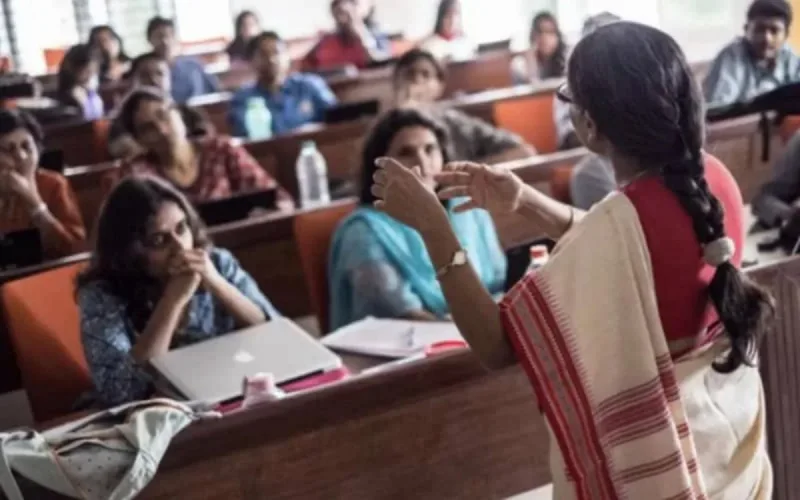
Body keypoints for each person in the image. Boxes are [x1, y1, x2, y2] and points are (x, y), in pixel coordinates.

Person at [371, 22, 773, 498]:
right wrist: (525, 202)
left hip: (664, 469)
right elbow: (632, 243)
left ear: (589, 124)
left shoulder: (617, 229)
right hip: (723, 446)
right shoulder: (711, 179)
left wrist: (435, 229)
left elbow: (497, 345)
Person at [77, 176, 280, 407]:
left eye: (182, 228)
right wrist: (172, 300)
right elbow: (124, 392)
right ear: (128, 252)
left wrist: (215, 282)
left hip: (225, 393)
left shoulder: (217, 262)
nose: (180, 247)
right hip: (155, 415)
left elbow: (274, 332)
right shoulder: (101, 295)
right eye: (159, 240)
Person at [328, 108, 505, 329]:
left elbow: (497, 283)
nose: (422, 162)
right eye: (406, 152)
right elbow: (399, 312)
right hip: (412, 349)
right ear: (381, 167)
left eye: (430, 149)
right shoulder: (363, 231)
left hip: (481, 332)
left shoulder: (467, 207)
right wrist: (471, 331)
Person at [111, 87, 292, 206]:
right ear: (139, 140)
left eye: (163, 115)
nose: (162, 130)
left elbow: (279, 199)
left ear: (179, 113)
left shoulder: (221, 149)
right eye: (148, 128)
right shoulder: (135, 174)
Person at [394, 49, 533, 163]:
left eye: (425, 75)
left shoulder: (456, 123)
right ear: (396, 83)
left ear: (439, 86)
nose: (417, 81)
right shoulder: (385, 129)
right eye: (410, 74)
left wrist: (466, 174)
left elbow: (523, 151)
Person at [0, 109, 85, 259]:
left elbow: (73, 249)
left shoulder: (54, 184)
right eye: (9, 149)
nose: (21, 156)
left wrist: (34, 203)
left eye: (27, 147)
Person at [229, 32, 337, 138]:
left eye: (276, 52)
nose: (272, 59)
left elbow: (337, 118)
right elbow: (245, 135)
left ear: (287, 56)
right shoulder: (243, 99)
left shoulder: (309, 85)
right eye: (264, 55)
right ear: (251, 61)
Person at [107, 52, 214, 159]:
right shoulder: (123, 119)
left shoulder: (189, 111)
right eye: (145, 75)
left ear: (170, 78)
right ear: (134, 82)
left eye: (160, 74)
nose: (153, 80)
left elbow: (207, 142)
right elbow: (123, 149)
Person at [704, 0, 800, 107]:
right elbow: (718, 112)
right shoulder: (731, 57)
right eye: (759, 29)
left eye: (774, 31)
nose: (766, 38)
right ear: (746, 30)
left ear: (786, 35)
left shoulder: (790, 57)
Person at [147, 16, 220, 103]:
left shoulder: (192, 65)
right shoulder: (146, 71)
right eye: (159, 36)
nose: (165, 41)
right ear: (150, 40)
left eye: (169, 36)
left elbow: (216, 89)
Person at [303, 0, 390, 71]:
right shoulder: (326, 41)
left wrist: (360, 31)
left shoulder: (374, 35)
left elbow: (381, 64)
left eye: (353, 2)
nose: (345, 6)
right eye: (338, 2)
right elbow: (306, 67)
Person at [511, 11, 568, 84]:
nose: (544, 38)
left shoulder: (567, 58)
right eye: (540, 32)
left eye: (550, 32)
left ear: (558, 36)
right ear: (532, 36)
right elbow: (532, 90)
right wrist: (531, 60)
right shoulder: (520, 64)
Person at [56, 44, 104, 121]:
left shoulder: (94, 95)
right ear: (72, 69)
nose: (91, 76)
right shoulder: (65, 102)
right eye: (87, 71)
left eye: (94, 71)